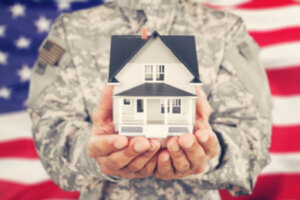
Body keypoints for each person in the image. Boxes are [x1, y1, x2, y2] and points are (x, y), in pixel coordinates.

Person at [27, 0, 273, 199]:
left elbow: (253, 138)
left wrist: (210, 151)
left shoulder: (225, 31)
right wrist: (94, 154)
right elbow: (50, 131)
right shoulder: (72, 30)